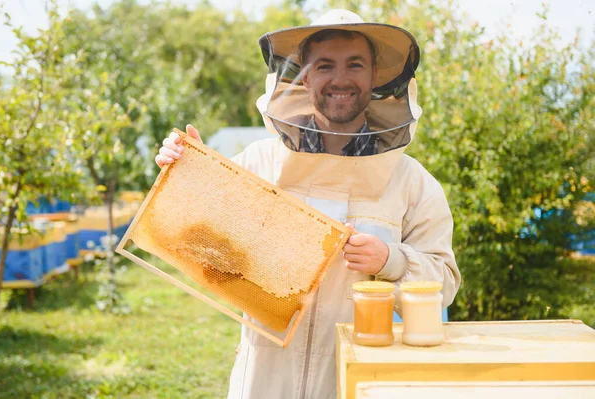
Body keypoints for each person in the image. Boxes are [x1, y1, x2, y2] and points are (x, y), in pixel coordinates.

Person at [155, 9, 461, 399]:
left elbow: (445, 285)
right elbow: (206, 249)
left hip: (358, 382)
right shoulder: (259, 163)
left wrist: (391, 260)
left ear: (375, 75)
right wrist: (187, 171)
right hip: (264, 380)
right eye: (324, 66)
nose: (340, 79)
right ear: (303, 75)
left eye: (355, 64)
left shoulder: (412, 182)